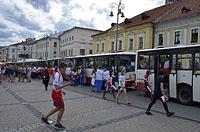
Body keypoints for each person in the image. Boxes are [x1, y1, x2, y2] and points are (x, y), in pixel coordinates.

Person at [41, 62, 71, 129]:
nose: (65, 71)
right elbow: (56, 87)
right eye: (64, 69)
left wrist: (62, 91)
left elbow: (58, 85)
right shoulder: (58, 74)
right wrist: (67, 84)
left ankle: (45, 117)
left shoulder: (59, 74)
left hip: (57, 93)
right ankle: (57, 123)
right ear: (61, 68)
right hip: (56, 94)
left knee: (58, 108)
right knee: (62, 108)